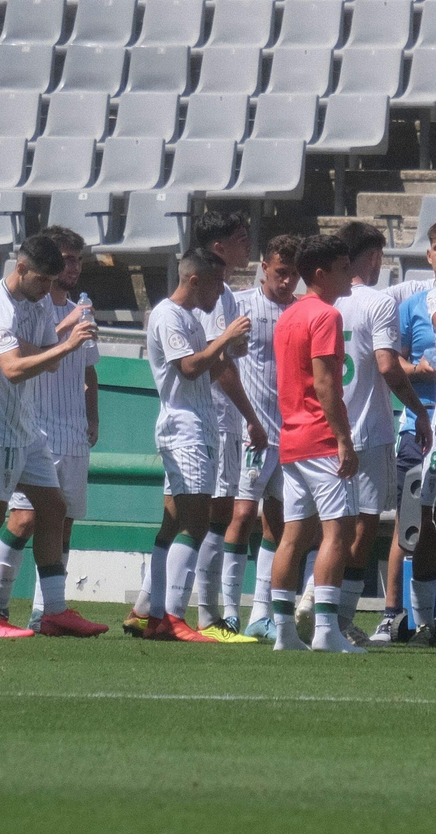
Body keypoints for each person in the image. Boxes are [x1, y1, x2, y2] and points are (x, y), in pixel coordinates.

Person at [0, 235, 107, 639]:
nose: (47, 290)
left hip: (25, 426)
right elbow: (14, 368)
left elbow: (41, 351)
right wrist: (69, 343)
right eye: (42, 280)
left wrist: (54, 346)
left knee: (53, 507)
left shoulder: (37, 301)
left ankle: (53, 612)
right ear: (21, 268)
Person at [142, 248, 251, 643]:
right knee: (196, 521)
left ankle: (155, 614)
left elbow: (207, 364)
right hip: (183, 428)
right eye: (216, 283)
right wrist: (224, 337)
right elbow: (187, 368)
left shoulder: (188, 317)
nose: (219, 293)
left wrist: (227, 346)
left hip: (197, 426)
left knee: (173, 523)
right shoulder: (169, 315)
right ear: (193, 280)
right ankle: (172, 616)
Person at [334, 222, 432, 643]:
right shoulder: (376, 302)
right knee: (362, 529)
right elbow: (390, 367)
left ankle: (298, 609)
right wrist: (417, 411)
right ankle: (336, 618)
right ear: (373, 258)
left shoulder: (317, 302)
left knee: (318, 526)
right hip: (368, 432)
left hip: (321, 429)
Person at [374, 217, 436, 644]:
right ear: (430, 254)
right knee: (412, 525)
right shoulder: (414, 303)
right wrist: (419, 368)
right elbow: (394, 363)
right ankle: (394, 616)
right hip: (421, 422)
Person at [269, 234, 362, 653]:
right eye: (344, 267)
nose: (351, 274)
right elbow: (326, 384)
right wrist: (343, 438)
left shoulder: (288, 315)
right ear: (321, 273)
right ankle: (326, 631)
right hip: (320, 438)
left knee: (292, 536)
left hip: (291, 437)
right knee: (338, 532)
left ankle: (284, 631)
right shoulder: (326, 316)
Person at [190, 211, 268, 641]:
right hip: (213, 420)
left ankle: (153, 608)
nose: (247, 248)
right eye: (240, 239)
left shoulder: (226, 296)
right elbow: (219, 367)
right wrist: (252, 418)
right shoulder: (211, 295)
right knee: (208, 516)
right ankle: (206, 616)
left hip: (220, 421)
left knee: (202, 515)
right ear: (219, 248)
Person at [226, 234, 301, 641]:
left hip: (290, 434)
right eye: (280, 272)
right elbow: (225, 365)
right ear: (263, 267)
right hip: (251, 431)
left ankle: (260, 612)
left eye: (294, 274)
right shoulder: (241, 306)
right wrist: (245, 419)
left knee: (278, 520)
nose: (287, 281)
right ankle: (227, 610)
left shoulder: (300, 311)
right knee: (241, 515)